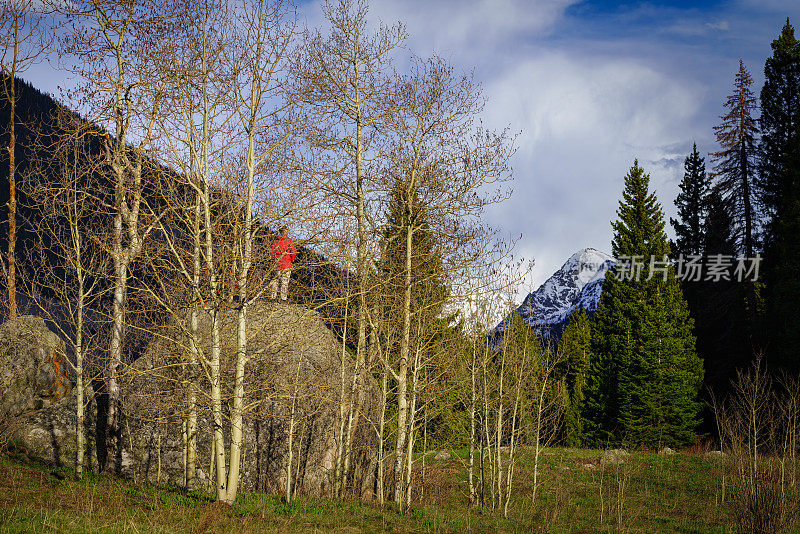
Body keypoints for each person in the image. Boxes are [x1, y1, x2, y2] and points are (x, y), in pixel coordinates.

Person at [270, 225, 297, 301]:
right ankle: (283, 298)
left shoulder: (275, 242)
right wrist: (292, 260)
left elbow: (272, 253)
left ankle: (273, 297)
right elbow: (293, 253)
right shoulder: (289, 241)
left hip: (277, 264)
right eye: (286, 230)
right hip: (287, 265)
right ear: (285, 231)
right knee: (284, 283)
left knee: (275, 282)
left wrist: (275, 260)